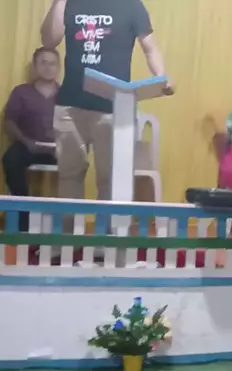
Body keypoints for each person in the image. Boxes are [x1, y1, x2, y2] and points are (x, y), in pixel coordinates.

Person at [40, 0, 173, 202]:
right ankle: (68, 224)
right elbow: (49, 41)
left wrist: (161, 76)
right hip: (70, 105)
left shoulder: (131, 5)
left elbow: (150, 48)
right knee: (68, 177)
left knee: (111, 180)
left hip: (114, 107)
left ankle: (107, 224)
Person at [2, 48, 60, 231]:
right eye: (43, 62)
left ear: (58, 68)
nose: (48, 67)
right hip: (27, 145)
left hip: (58, 149)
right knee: (10, 159)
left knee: (78, 162)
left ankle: (63, 223)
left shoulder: (67, 94)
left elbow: (78, 123)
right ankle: (23, 221)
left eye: (53, 63)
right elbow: (9, 122)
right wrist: (26, 141)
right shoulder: (21, 92)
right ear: (35, 66)